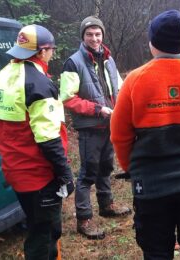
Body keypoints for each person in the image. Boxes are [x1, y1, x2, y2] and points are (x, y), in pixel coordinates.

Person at [110, 10, 180, 259]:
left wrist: (133, 168)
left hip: (151, 186)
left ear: (152, 42)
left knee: (156, 253)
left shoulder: (134, 81)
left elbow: (119, 136)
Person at [0, 24, 73, 259]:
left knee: (38, 227)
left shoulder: (3, 75)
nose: (52, 54)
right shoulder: (38, 83)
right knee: (44, 235)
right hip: (39, 176)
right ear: (43, 51)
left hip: (15, 170)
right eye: (51, 50)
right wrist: (65, 175)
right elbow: (48, 138)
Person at [60, 16, 131, 240]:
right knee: (87, 173)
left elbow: (119, 89)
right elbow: (67, 98)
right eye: (89, 34)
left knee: (106, 167)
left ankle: (106, 205)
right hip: (90, 126)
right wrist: (97, 109)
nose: (94, 38)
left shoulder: (109, 60)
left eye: (97, 34)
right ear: (83, 36)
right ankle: (84, 218)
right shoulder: (73, 62)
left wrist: (122, 111)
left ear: (103, 35)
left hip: (109, 125)